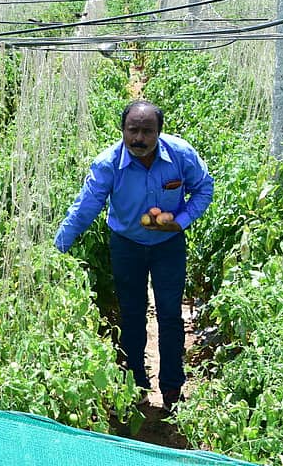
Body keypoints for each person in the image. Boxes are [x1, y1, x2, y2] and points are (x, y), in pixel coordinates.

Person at [54, 100, 213, 412]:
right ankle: (137, 384)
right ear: (123, 130)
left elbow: (204, 189)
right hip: (126, 245)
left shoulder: (180, 155)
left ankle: (172, 388)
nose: (139, 138)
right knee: (132, 315)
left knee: (169, 315)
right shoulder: (108, 164)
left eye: (147, 131)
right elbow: (85, 208)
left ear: (159, 133)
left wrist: (179, 222)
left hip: (169, 246)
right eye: (133, 130)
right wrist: (56, 249)